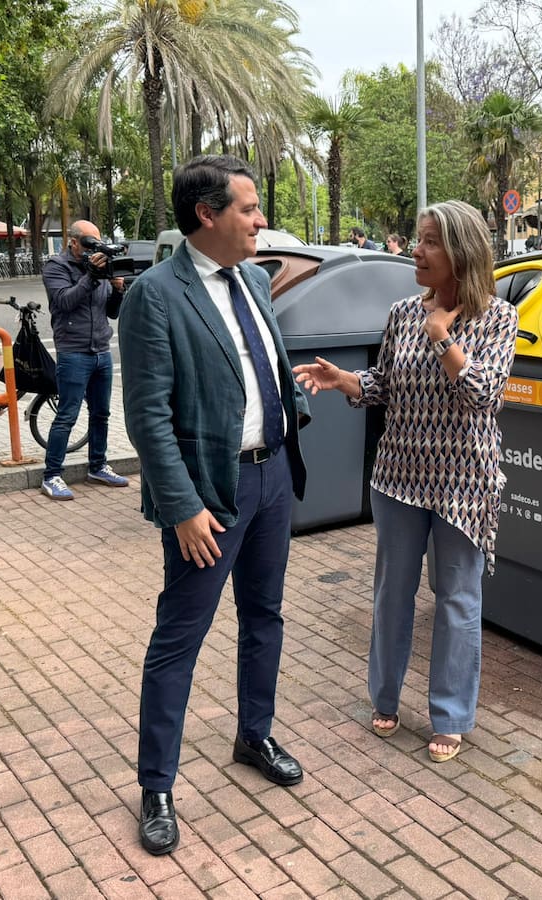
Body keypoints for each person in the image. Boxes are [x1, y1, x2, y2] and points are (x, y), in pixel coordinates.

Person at [119, 155, 311, 856]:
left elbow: (257, 364)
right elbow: (147, 417)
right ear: (207, 214)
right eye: (249, 209)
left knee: (265, 616)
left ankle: (254, 735)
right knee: (180, 637)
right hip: (208, 497)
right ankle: (157, 785)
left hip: (271, 480)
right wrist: (182, 507)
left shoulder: (253, 280)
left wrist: (292, 398)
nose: (261, 221)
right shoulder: (155, 295)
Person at [294, 200, 518, 765]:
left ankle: (450, 715)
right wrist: (346, 380)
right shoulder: (401, 313)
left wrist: (442, 336)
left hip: (465, 481)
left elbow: (482, 394)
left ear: (462, 252)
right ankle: (386, 696)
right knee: (393, 592)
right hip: (399, 477)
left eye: (429, 242)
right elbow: (387, 386)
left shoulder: (499, 317)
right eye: (418, 239)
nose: (416, 251)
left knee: (458, 599)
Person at [40, 220, 130, 500]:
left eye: (97, 242)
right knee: (67, 415)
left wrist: (118, 290)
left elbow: (112, 313)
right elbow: (65, 301)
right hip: (73, 351)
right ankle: (51, 475)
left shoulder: (101, 268)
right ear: (73, 242)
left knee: (101, 414)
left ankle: (98, 466)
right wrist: (90, 276)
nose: (94, 249)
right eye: (89, 243)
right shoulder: (56, 267)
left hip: (101, 351)